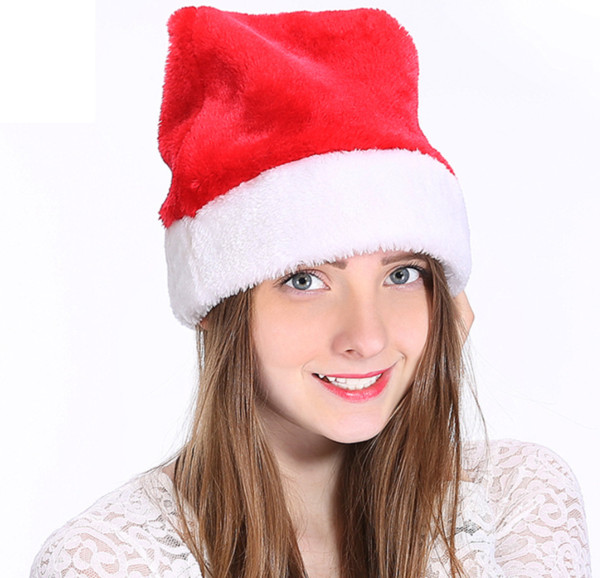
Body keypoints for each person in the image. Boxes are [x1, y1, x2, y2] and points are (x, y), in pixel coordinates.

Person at [30, 6, 591, 577]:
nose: (367, 338)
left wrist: (432, 374)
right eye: (305, 280)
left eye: (401, 275)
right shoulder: (109, 559)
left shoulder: (516, 500)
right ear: (217, 308)